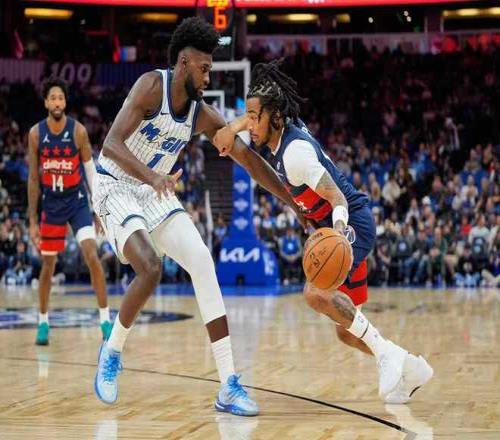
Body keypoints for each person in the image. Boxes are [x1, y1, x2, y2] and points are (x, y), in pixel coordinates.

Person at [92, 18, 305, 416]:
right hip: (115, 184)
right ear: (184, 63)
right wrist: (153, 176)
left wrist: (292, 201)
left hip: (153, 191)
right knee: (150, 268)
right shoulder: (150, 86)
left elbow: (248, 160)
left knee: (203, 261)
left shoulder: (202, 114)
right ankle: (112, 351)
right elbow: (111, 144)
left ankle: (228, 385)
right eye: (204, 69)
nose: (208, 78)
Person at [214, 60, 433, 404]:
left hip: (351, 223)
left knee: (315, 293)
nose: (250, 125)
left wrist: (338, 235)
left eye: (255, 118)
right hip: (333, 225)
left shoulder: (295, 154)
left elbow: (337, 198)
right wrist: (235, 125)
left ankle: (388, 356)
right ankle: (408, 365)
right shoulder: (281, 129)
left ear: (274, 117)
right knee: (347, 331)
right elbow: (256, 117)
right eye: (249, 117)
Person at [27, 77, 111, 346]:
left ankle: (105, 320)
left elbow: (90, 172)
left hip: (77, 202)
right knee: (48, 265)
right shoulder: (36, 134)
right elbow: (33, 179)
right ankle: (43, 322)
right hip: (51, 204)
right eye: (52, 98)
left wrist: (98, 209)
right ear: (45, 103)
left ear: (65, 102)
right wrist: (32, 220)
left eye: (60, 98)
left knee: (92, 255)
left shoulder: (78, 131)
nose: (57, 102)